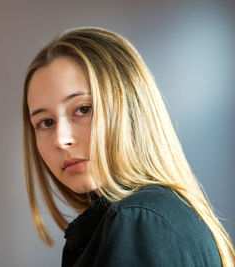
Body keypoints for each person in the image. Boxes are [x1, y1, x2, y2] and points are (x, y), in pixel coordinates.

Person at [22, 27, 235, 266]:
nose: (61, 139)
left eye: (83, 109)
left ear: (130, 108)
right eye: (46, 122)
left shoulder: (139, 221)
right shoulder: (157, 215)